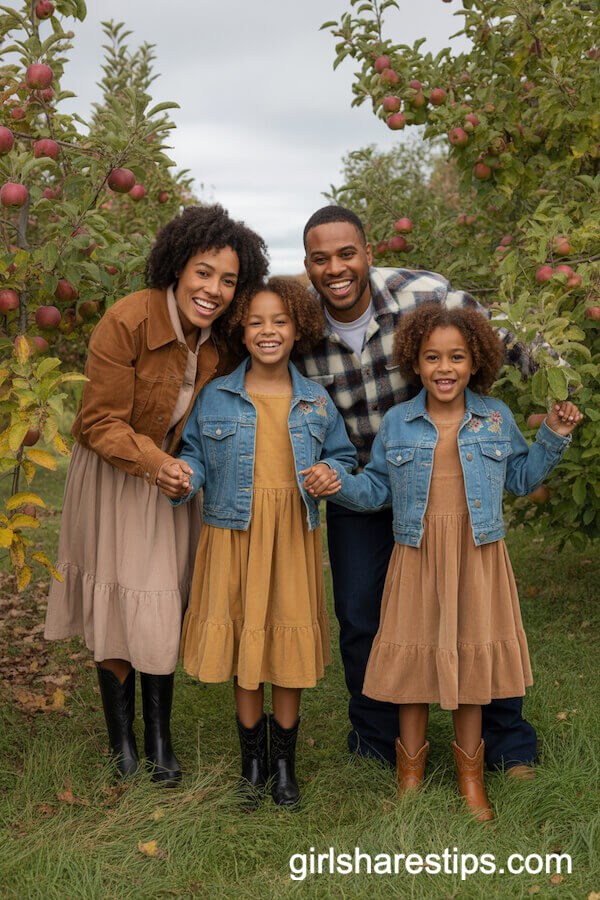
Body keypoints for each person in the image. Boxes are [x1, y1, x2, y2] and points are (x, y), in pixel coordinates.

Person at [304, 303, 581, 820]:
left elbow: (521, 480)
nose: (445, 367)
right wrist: (337, 483)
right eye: (432, 357)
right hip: (416, 556)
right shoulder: (399, 423)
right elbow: (377, 489)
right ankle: (409, 779)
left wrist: (554, 437)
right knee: (412, 663)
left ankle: (470, 781)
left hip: (476, 556)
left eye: (457, 356)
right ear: (415, 362)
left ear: (476, 360)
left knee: (472, 661)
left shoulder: (495, 417)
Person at [297, 204, 543, 774]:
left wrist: (554, 376)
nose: (336, 268)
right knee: (361, 612)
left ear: (369, 253)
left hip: (444, 476)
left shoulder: (421, 292)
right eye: (320, 258)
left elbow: (498, 334)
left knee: (478, 610)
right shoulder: (302, 326)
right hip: (362, 479)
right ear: (307, 266)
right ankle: (379, 742)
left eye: (346, 253)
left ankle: (505, 741)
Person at [44, 204, 269, 784]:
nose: (214, 290)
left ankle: (160, 742)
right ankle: (124, 747)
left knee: (162, 601)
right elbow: (97, 422)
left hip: (174, 479)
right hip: (118, 475)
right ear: (177, 266)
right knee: (122, 602)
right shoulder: (127, 320)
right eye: (203, 272)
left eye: (228, 280)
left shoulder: (220, 338)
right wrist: (157, 463)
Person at [166, 277, 356, 806]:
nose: (267, 331)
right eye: (255, 322)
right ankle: (252, 763)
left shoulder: (315, 401)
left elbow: (341, 456)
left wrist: (327, 471)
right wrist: (184, 475)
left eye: (280, 322)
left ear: (298, 329)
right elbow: (197, 456)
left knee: (286, 644)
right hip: (235, 532)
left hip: (292, 534)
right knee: (247, 642)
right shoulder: (217, 395)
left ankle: (283, 763)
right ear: (240, 330)